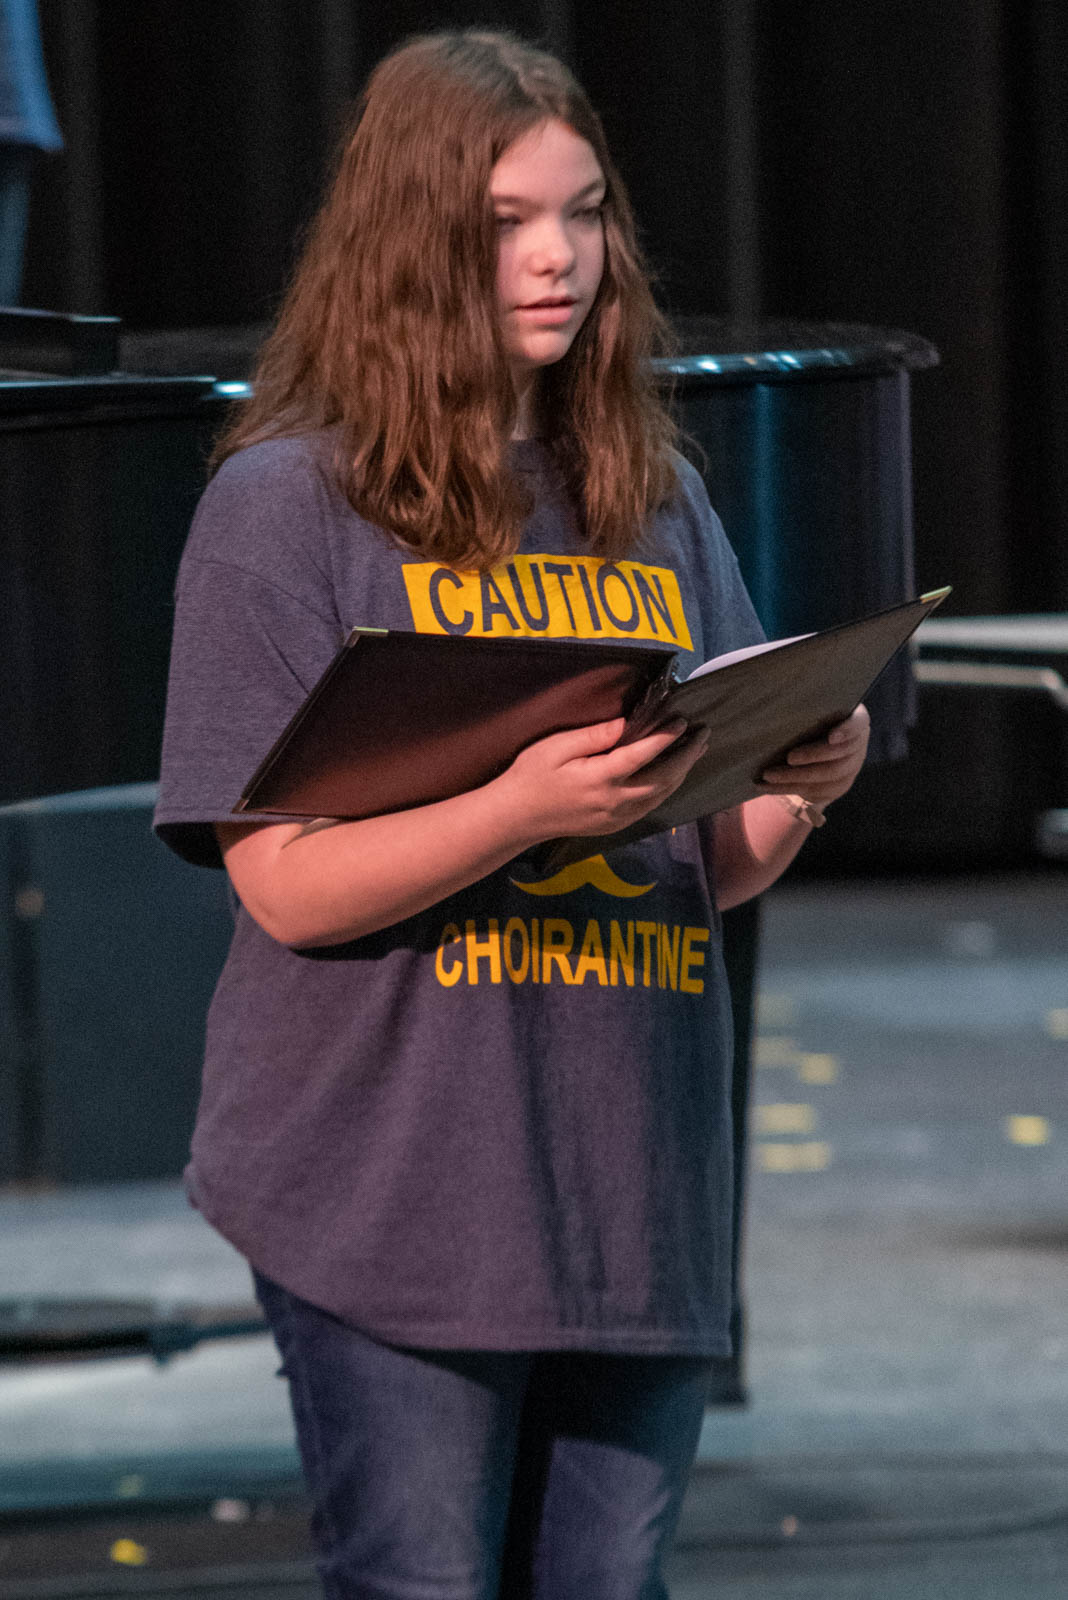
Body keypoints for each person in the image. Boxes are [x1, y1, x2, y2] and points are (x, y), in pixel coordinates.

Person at [154, 28, 869, 1600]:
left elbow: (706, 866)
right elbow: (284, 888)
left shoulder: (649, 497)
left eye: (584, 213)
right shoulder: (289, 506)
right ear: (411, 241)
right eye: (505, 223)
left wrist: (796, 779)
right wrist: (516, 807)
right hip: (401, 1189)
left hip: (630, 1183)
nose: (559, 257)